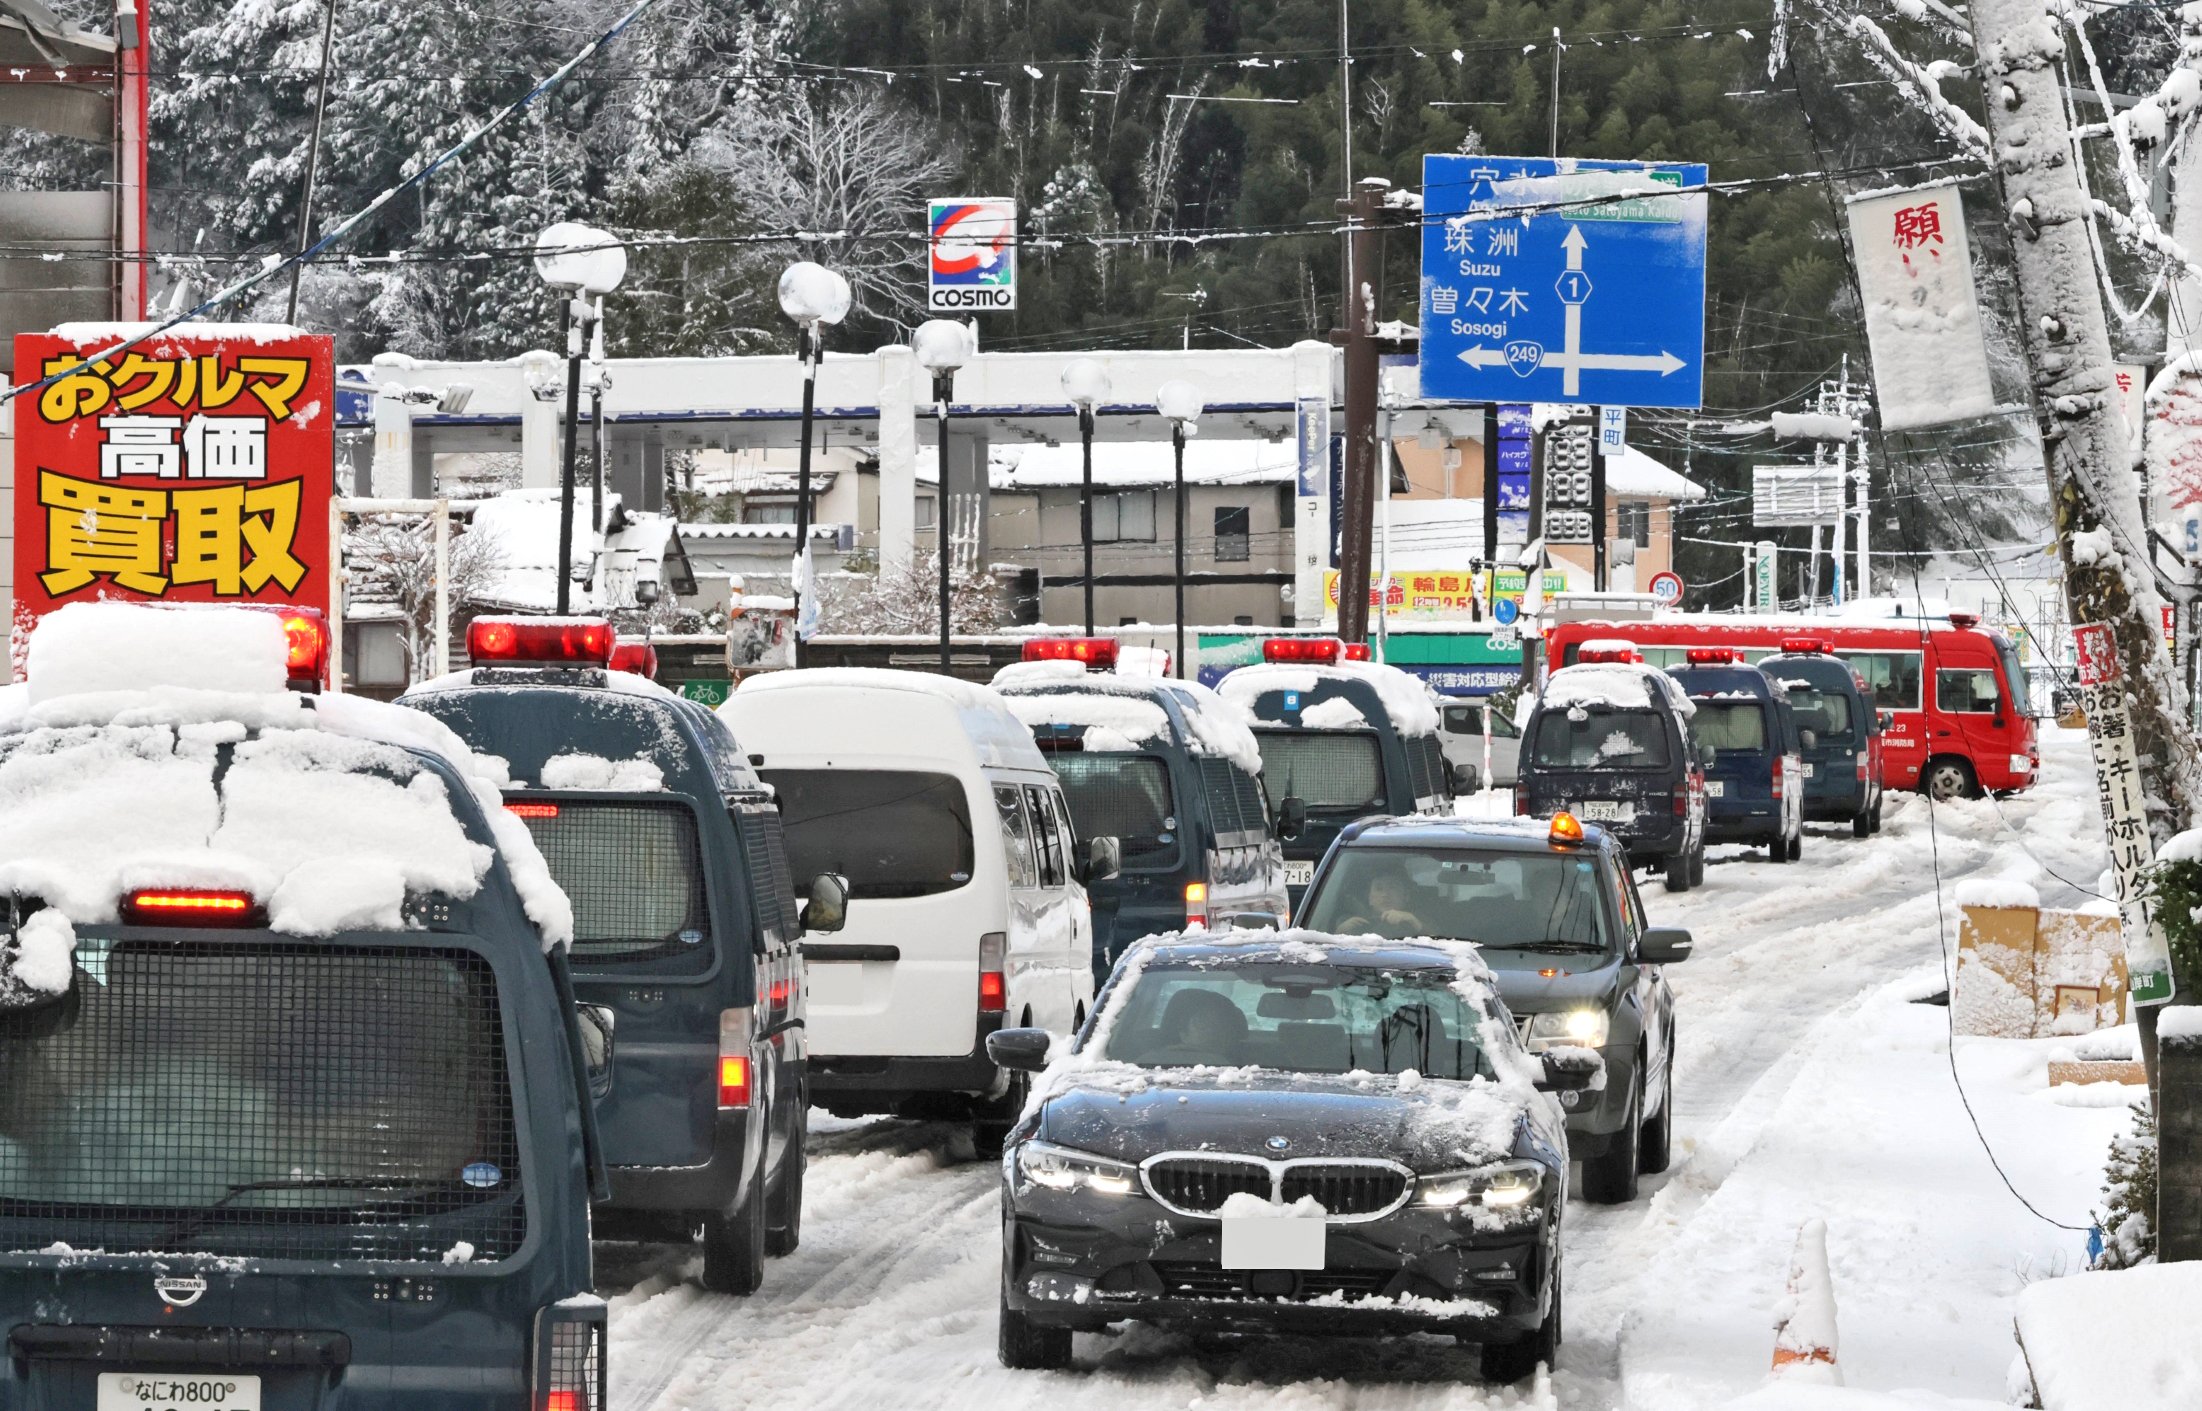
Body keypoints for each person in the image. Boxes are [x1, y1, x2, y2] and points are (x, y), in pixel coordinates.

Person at [1335, 867, 1422, 937]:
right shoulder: (1348, 923)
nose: (1385, 894)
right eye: (1379, 889)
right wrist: (1339, 933)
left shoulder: (1419, 920)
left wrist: (1413, 922)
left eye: (1392, 887)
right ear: (1369, 898)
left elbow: (1433, 946)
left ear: (1406, 896)